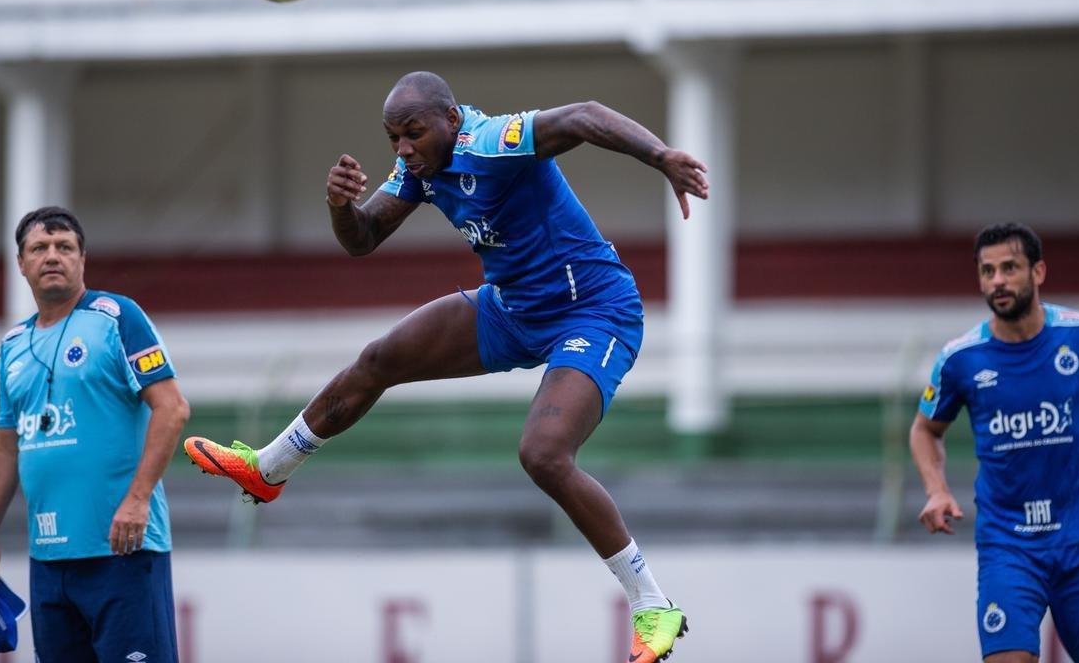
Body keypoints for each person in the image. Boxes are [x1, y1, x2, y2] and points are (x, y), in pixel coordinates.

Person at [185, 71, 708, 662]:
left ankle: (651, 604)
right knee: (381, 358)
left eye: (413, 134)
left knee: (542, 455)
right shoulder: (419, 170)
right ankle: (269, 469)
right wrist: (339, 206)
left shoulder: (493, 142)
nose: (403, 149)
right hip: (513, 309)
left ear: (451, 122)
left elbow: (584, 114)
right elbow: (363, 238)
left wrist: (661, 156)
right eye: (393, 138)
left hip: (594, 311)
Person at [0, 206, 191, 662]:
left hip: (123, 550)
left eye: (64, 247)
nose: (53, 256)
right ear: (21, 263)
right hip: (49, 561)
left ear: (82, 259)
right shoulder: (12, 346)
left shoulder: (117, 318)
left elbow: (171, 408)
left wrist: (138, 498)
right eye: (39, 248)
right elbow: (4, 444)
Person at [910, 222, 1079, 663]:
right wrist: (936, 489)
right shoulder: (960, 358)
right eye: (987, 271)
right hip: (1010, 546)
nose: (997, 281)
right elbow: (924, 429)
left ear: (1039, 272)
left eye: (1009, 268)